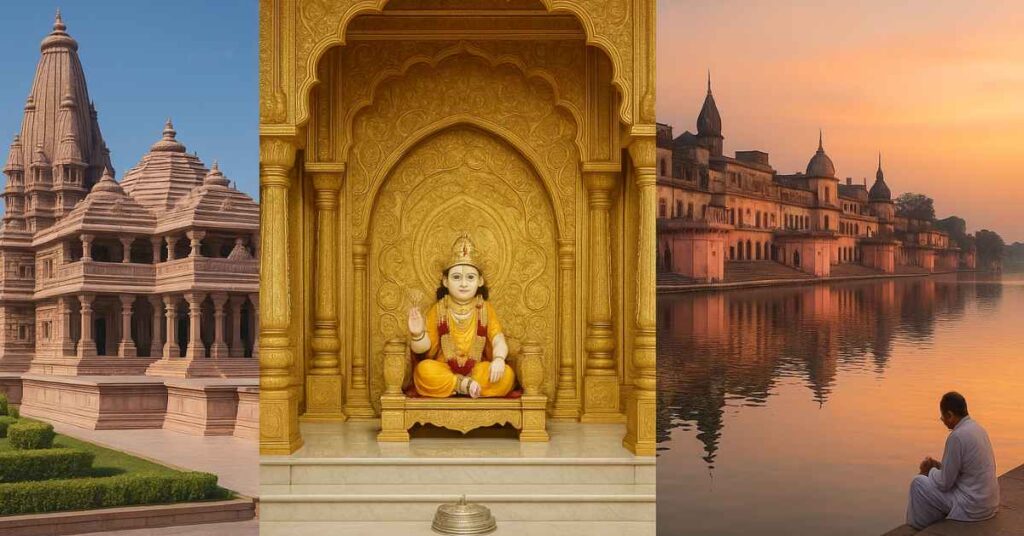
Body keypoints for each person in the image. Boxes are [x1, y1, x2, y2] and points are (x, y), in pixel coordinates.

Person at [406, 233, 515, 398]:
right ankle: (462, 385)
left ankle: (464, 385)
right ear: (445, 281)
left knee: (506, 375)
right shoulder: (439, 309)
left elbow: (498, 339)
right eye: (456, 277)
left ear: (480, 281)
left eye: (470, 277)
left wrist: (499, 359)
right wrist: (417, 334)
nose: (463, 284)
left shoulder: (485, 309)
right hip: (445, 369)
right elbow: (425, 351)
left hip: (477, 371)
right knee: (424, 371)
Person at [906, 391, 1000, 529]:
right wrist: (938, 466)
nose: (942, 420)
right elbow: (963, 469)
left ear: (949, 415)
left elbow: (944, 483)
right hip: (988, 504)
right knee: (929, 482)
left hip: (972, 507)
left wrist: (929, 471)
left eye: (943, 417)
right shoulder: (978, 429)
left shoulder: (957, 437)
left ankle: (917, 527)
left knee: (918, 483)